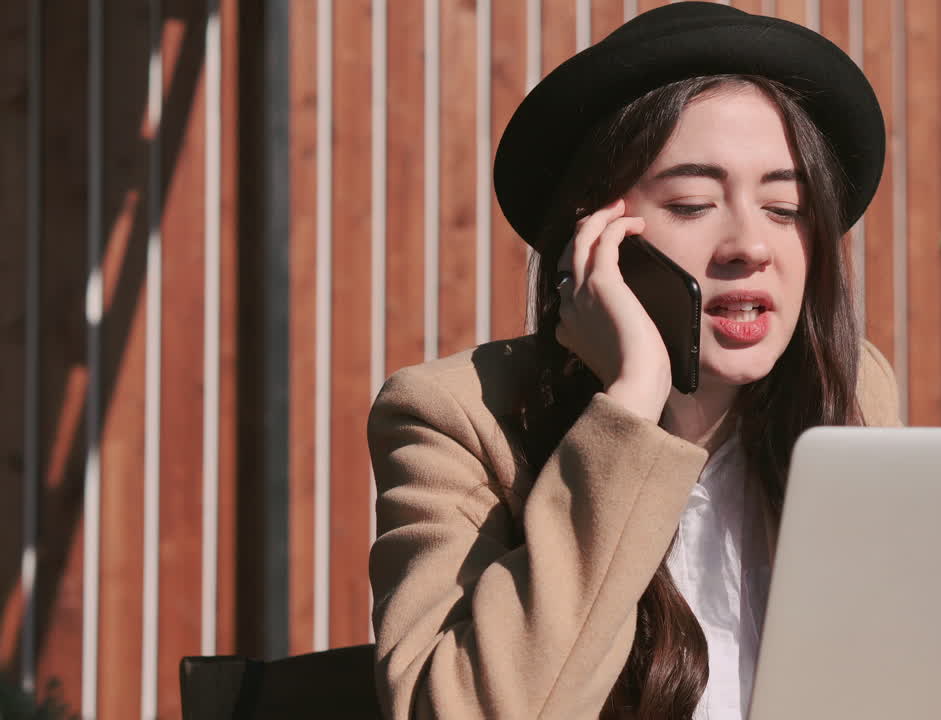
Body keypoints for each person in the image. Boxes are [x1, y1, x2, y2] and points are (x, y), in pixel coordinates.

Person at [367, 3, 900, 718]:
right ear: (596, 237)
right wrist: (631, 408)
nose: (751, 245)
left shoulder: (852, 388)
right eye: (691, 203)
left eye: (786, 207)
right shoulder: (453, 418)